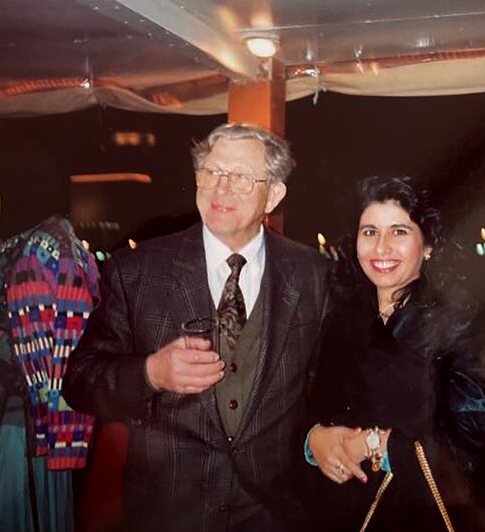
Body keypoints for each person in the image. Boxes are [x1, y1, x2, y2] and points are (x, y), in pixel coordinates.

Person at [63, 123, 329, 532]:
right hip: (168, 512)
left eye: (240, 177)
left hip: (273, 512)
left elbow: (323, 386)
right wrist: (151, 372)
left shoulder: (312, 274)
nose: (221, 188)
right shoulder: (135, 270)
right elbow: (79, 381)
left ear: (273, 194)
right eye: (211, 172)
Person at [305, 176, 485, 531]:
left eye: (399, 232)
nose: (381, 248)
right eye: (369, 232)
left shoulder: (459, 325)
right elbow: (304, 408)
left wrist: (380, 446)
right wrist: (313, 440)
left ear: (428, 244)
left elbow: (478, 434)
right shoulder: (339, 321)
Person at [0, 160, 99, 532]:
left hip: (16, 432)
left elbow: (61, 357)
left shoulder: (43, 246)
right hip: (2, 424)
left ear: (13, 180)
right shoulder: (21, 241)